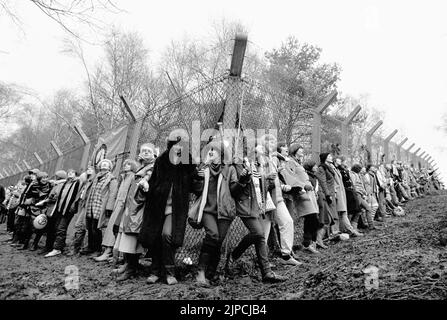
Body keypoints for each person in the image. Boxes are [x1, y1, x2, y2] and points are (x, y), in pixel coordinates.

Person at [225, 137, 287, 283]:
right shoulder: (237, 165)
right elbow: (234, 190)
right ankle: (235, 255)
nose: (256, 151)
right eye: (253, 148)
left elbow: (259, 184)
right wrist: (242, 179)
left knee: (259, 237)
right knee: (258, 233)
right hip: (245, 204)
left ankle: (266, 273)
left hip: (257, 204)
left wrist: (268, 180)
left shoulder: (256, 164)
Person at [139, 130, 197, 285]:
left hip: (176, 208)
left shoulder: (187, 160)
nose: (178, 147)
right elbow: (154, 182)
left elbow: (194, 183)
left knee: (167, 235)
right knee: (156, 237)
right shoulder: (162, 159)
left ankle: (170, 272)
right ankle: (155, 271)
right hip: (157, 206)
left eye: (181, 144)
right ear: (170, 144)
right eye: (174, 144)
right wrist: (147, 187)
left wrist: (199, 177)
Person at [194, 138, 235, 286]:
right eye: (209, 149)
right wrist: (198, 179)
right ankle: (200, 271)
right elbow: (196, 190)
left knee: (218, 241)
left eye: (214, 150)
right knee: (213, 235)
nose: (211, 152)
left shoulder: (229, 168)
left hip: (224, 210)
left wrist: (243, 179)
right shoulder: (203, 168)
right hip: (207, 209)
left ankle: (211, 273)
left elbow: (235, 189)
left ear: (221, 154)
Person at [113, 143, 156, 281]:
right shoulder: (142, 167)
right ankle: (128, 264)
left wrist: (145, 181)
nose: (145, 153)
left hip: (140, 207)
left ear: (154, 154)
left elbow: (148, 177)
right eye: (143, 151)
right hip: (132, 206)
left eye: (149, 151)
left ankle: (132, 268)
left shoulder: (152, 167)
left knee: (132, 236)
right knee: (126, 235)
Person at [257, 134, 300, 266]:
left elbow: (275, 179)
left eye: (273, 142)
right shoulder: (259, 157)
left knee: (287, 222)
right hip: (266, 199)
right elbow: (257, 177)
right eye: (269, 142)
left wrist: (282, 185)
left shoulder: (273, 159)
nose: (272, 145)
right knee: (265, 230)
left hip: (278, 197)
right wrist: (267, 176)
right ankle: (262, 261)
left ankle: (286, 255)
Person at [94, 159, 138, 262]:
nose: (126, 166)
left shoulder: (132, 177)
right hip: (117, 205)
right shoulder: (123, 177)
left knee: (116, 228)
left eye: (128, 164)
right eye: (125, 164)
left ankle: (112, 253)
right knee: (112, 227)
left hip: (124, 206)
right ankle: (111, 252)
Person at [279, 143, 320, 253]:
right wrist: (303, 186)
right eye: (300, 149)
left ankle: (309, 243)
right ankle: (307, 244)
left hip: (308, 192)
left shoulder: (298, 162)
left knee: (312, 217)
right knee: (312, 217)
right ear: (295, 150)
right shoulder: (290, 162)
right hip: (301, 193)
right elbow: (291, 177)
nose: (302, 151)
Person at [84, 160, 118, 256]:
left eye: (107, 164)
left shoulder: (112, 179)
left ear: (109, 167)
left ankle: (97, 249)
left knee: (96, 228)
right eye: (102, 163)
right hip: (91, 205)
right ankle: (90, 247)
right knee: (90, 227)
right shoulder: (95, 177)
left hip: (100, 207)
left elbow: (112, 194)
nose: (104, 164)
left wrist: (109, 208)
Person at [45, 169, 82, 257]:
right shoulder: (65, 183)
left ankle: (57, 248)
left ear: (76, 174)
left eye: (72, 172)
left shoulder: (77, 183)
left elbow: (77, 195)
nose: (70, 174)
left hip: (68, 209)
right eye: (68, 172)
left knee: (61, 228)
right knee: (58, 227)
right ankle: (60, 246)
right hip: (60, 208)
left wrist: (73, 206)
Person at [33, 170, 67, 253]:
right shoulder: (60, 185)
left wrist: (45, 201)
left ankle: (49, 247)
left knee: (51, 230)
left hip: (53, 211)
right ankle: (50, 246)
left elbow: (54, 197)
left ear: (58, 177)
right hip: (53, 210)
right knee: (52, 229)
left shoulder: (59, 185)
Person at [67, 165, 96, 256]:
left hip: (87, 206)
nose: (88, 170)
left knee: (80, 226)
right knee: (78, 226)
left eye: (91, 169)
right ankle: (77, 247)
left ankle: (77, 248)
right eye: (87, 169)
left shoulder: (93, 181)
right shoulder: (84, 182)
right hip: (81, 205)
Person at [334, 157, 363, 237]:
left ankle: (353, 228)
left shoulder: (345, 170)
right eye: (344, 161)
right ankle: (348, 229)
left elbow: (351, 182)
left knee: (357, 210)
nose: (346, 162)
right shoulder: (338, 170)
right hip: (346, 192)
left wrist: (354, 190)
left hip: (351, 191)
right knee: (350, 211)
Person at [317, 153, 337, 240]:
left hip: (331, 193)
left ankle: (329, 235)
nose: (331, 157)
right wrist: (328, 195)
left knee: (331, 216)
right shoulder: (322, 168)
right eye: (329, 156)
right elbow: (323, 182)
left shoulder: (329, 167)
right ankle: (320, 238)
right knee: (327, 217)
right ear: (325, 158)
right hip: (326, 194)